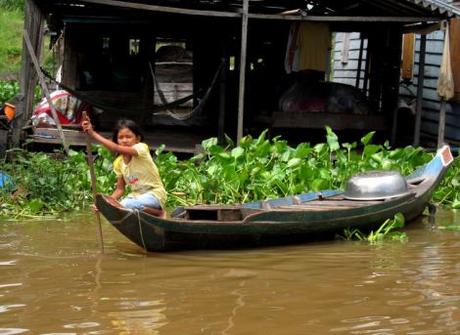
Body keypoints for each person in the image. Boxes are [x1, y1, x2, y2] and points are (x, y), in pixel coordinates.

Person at [81, 117, 167, 216]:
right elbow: (120, 189)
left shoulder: (141, 148)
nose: (124, 140)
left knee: (126, 204)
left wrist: (93, 134)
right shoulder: (119, 163)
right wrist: (105, 204)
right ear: (117, 140)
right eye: (120, 138)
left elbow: (115, 148)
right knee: (119, 205)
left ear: (137, 139)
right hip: (136, 197)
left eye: (128, 137)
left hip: (155, 195)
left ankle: (159, 213)